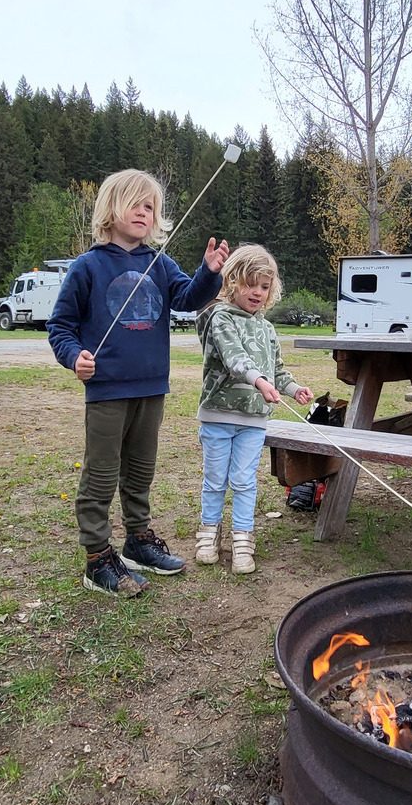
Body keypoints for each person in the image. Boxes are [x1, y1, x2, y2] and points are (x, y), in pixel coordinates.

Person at [47, 168, 229, 597]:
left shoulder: (159, 264)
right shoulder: (87, 266)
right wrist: (75, 357)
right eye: (136, 203)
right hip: (108, 391)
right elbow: (60, 326)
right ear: (111, 207)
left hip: (152, 387)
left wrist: (209, 272)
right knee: (102, 474)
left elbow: (188, 299)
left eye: (151, 207)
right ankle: (96, 557)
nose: (144, 212)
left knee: (141, 470)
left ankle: (138, 540)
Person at [194, 243, 314, 574]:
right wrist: (260, 382)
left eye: (264, 286)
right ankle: (209, 532)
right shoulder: (220, 318)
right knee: (216, 478)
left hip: (254, 420)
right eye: (250, 284)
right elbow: (235, 360)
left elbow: (277, 371)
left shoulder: (267, 329)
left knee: (245, 480)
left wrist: (292, 389)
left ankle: (243, 538)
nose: (257, 292)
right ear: (232, 281)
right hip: (218, 415)